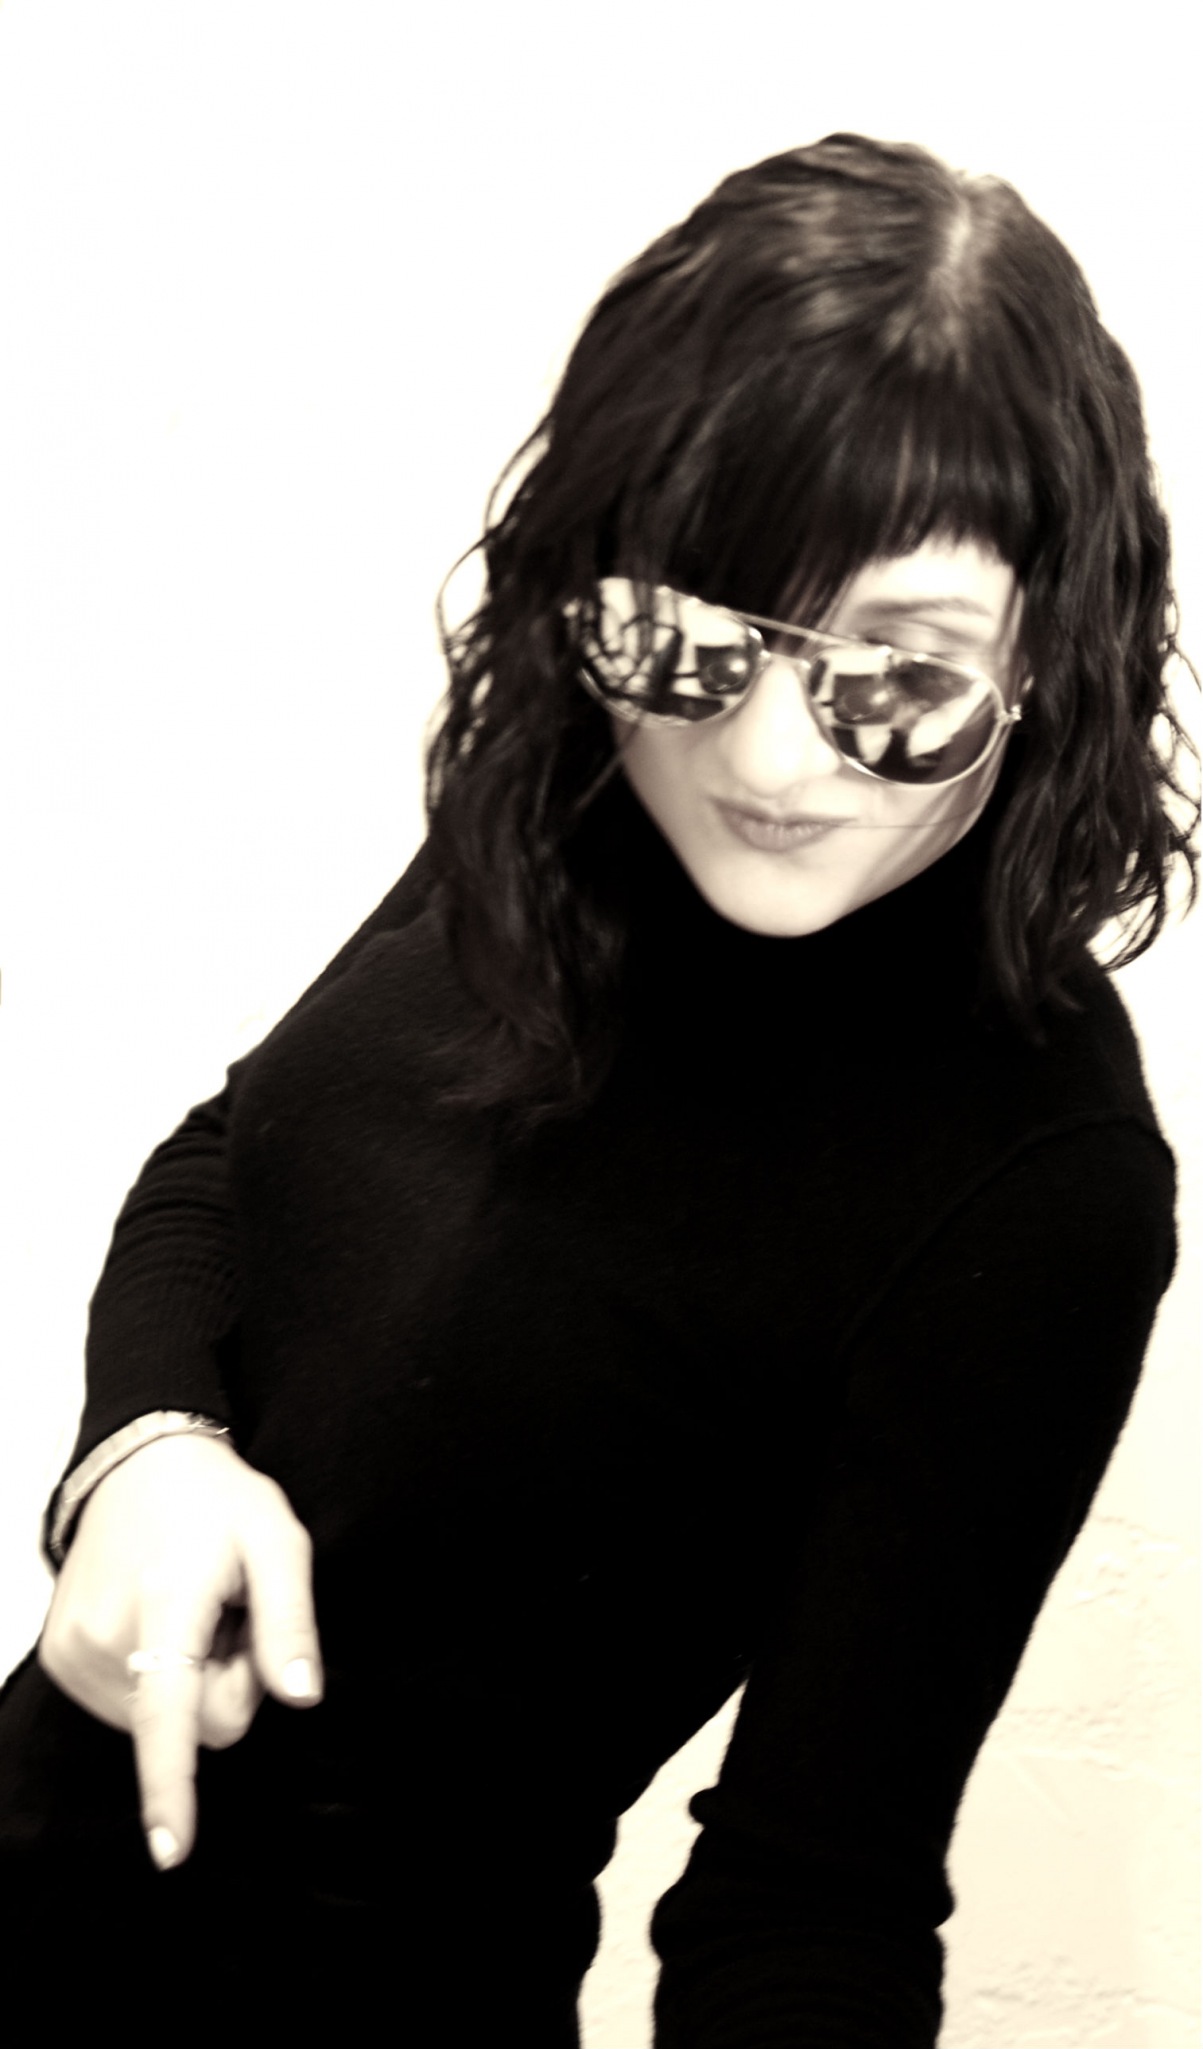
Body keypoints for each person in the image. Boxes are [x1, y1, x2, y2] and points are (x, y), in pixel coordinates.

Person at [0, 133, 1195, 2047]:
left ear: (1051, 649)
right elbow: (232, 1162)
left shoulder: (1039, 1168)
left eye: (899, 676)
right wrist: (143, 1450)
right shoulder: (574, 805)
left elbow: (813, 1904)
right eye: (691, 637)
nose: (770, 761)